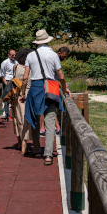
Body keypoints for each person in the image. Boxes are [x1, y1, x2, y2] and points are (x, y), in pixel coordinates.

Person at [22, 29, 71, 165]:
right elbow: (60, 75)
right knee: (50, 122)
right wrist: (64, 88)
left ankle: (37, 150)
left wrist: (22, 93)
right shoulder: (53, 55)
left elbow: (25, 77)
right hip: (51, 88)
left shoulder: (30, 55)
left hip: (35, 87)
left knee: (35, 120)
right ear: (48, 40)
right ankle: (48, 154)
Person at [10, 48, 33, 154]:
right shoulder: (31, 68)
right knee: (26, 120)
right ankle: (24, 145)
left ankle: (19, 142)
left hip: (16, 95)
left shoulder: (16, 67)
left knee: (17, 118)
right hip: (27, 94)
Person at [0, 50, 18, 119]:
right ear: (8, 55)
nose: (14, 56)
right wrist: (6, 83)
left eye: (15, 55)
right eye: (12, 55)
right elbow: (2, 74)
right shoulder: (5, 62)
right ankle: (7, 115)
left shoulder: (16, 62)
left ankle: (14, 114)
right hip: (7, 81)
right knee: (7, 99)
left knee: (15, 98)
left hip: (15, 81)